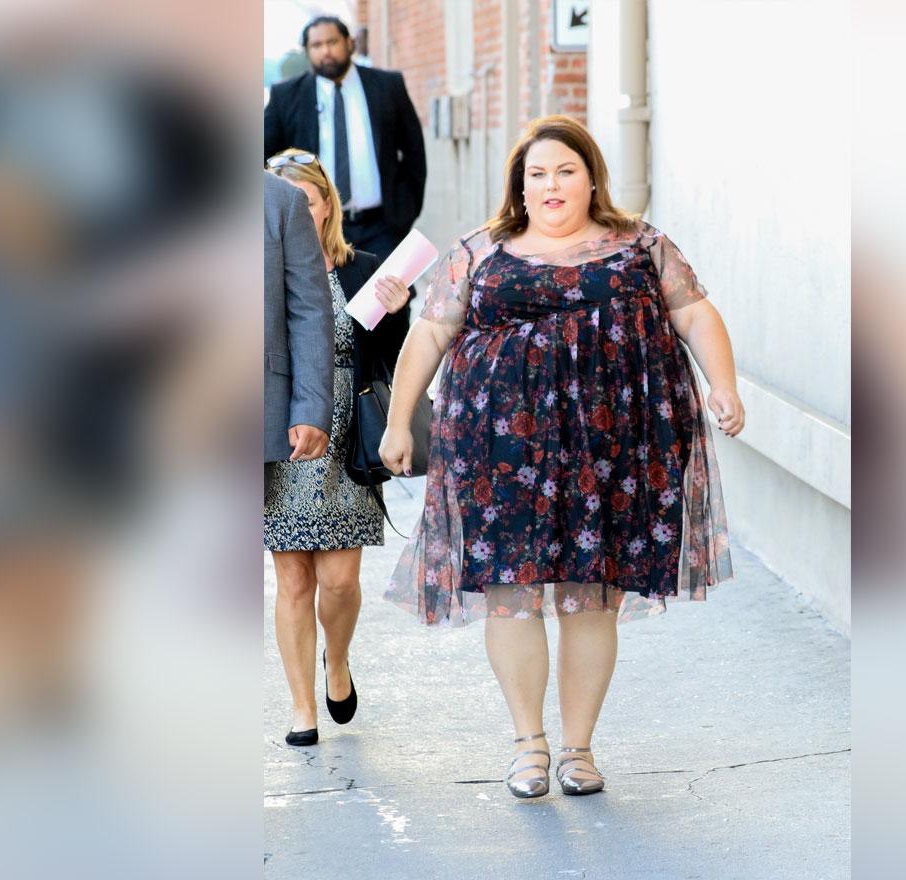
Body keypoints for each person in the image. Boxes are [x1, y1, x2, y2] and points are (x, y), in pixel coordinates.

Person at [380, 116, 742, 798]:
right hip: (498, 450)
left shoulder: (641, 245)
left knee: (588, 598)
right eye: (537, 172)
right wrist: (401, 422)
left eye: (566, 170)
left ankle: (578, 748)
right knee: (511, 594)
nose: (552, 184)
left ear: (591, 177)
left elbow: (694, 313)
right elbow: (429, 335)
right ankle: (529, 744)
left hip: (610, 449)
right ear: (520, 183)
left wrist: (724, 385)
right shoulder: (481, 251)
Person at [264, 149, 411, 747]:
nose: (297, 210)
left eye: (307, 199)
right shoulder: (264, 261)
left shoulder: (362, 267)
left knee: (341, 582)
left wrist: (398, 313)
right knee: (293, 581)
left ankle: (338, 660)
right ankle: (303, 708)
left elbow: (387, 357)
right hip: (281, 429)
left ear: (326, 206)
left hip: (345, 432)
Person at [263, 15, 425, 273]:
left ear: (349, 43)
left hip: (380, 226)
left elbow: (414, 151)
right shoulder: (286, 96)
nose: (325, 51)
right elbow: (264, 157)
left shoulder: (387, 85)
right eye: (316, 46)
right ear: (307, 51)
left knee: (389, 304)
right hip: (314, 226)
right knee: (324, 306)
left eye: (332, 42)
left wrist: (403, 212)